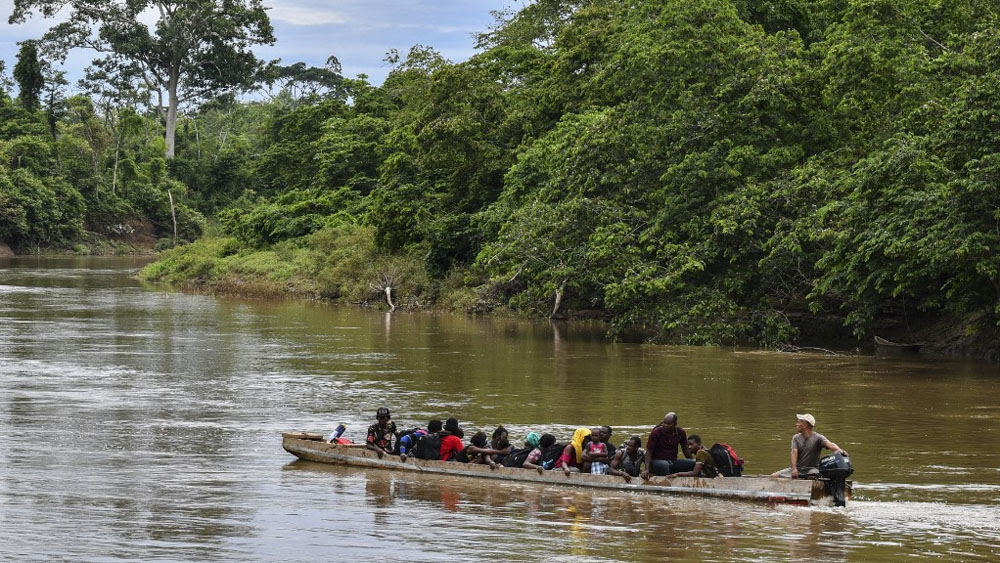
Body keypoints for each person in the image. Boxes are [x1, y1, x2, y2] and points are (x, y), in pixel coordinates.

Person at [771, 413, 847, 479]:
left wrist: (840, 450)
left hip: (812, 469)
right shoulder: (796, 438)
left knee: (812, 476)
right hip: (797, 469)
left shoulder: (818, 438)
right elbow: (793, 453)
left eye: (799, 422)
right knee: (773, 476)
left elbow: (830, 445)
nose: (796, 424)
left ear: (804, 425)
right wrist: (794, 469)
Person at [640, 412, 693, 479]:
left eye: (669, 424)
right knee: (665, 465)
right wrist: (647, 469)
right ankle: (665, 483)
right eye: (664, 423)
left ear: (675, 424)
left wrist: (695, 463)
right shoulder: (656, 432)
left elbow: (685, 449)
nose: (665, 425)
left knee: (693, 463)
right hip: (655, 461)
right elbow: (648, 452)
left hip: (672, 460)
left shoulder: (680, 432)